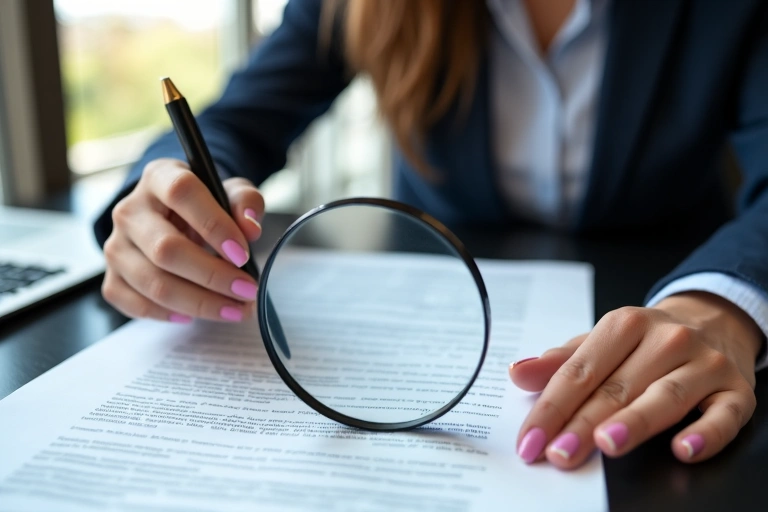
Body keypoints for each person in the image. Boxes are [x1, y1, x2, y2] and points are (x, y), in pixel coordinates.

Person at [94, 0, 768, 471]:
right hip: (421, 303)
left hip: (659, 289)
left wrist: (721, 305)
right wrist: (173, 200)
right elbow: (232, 121)